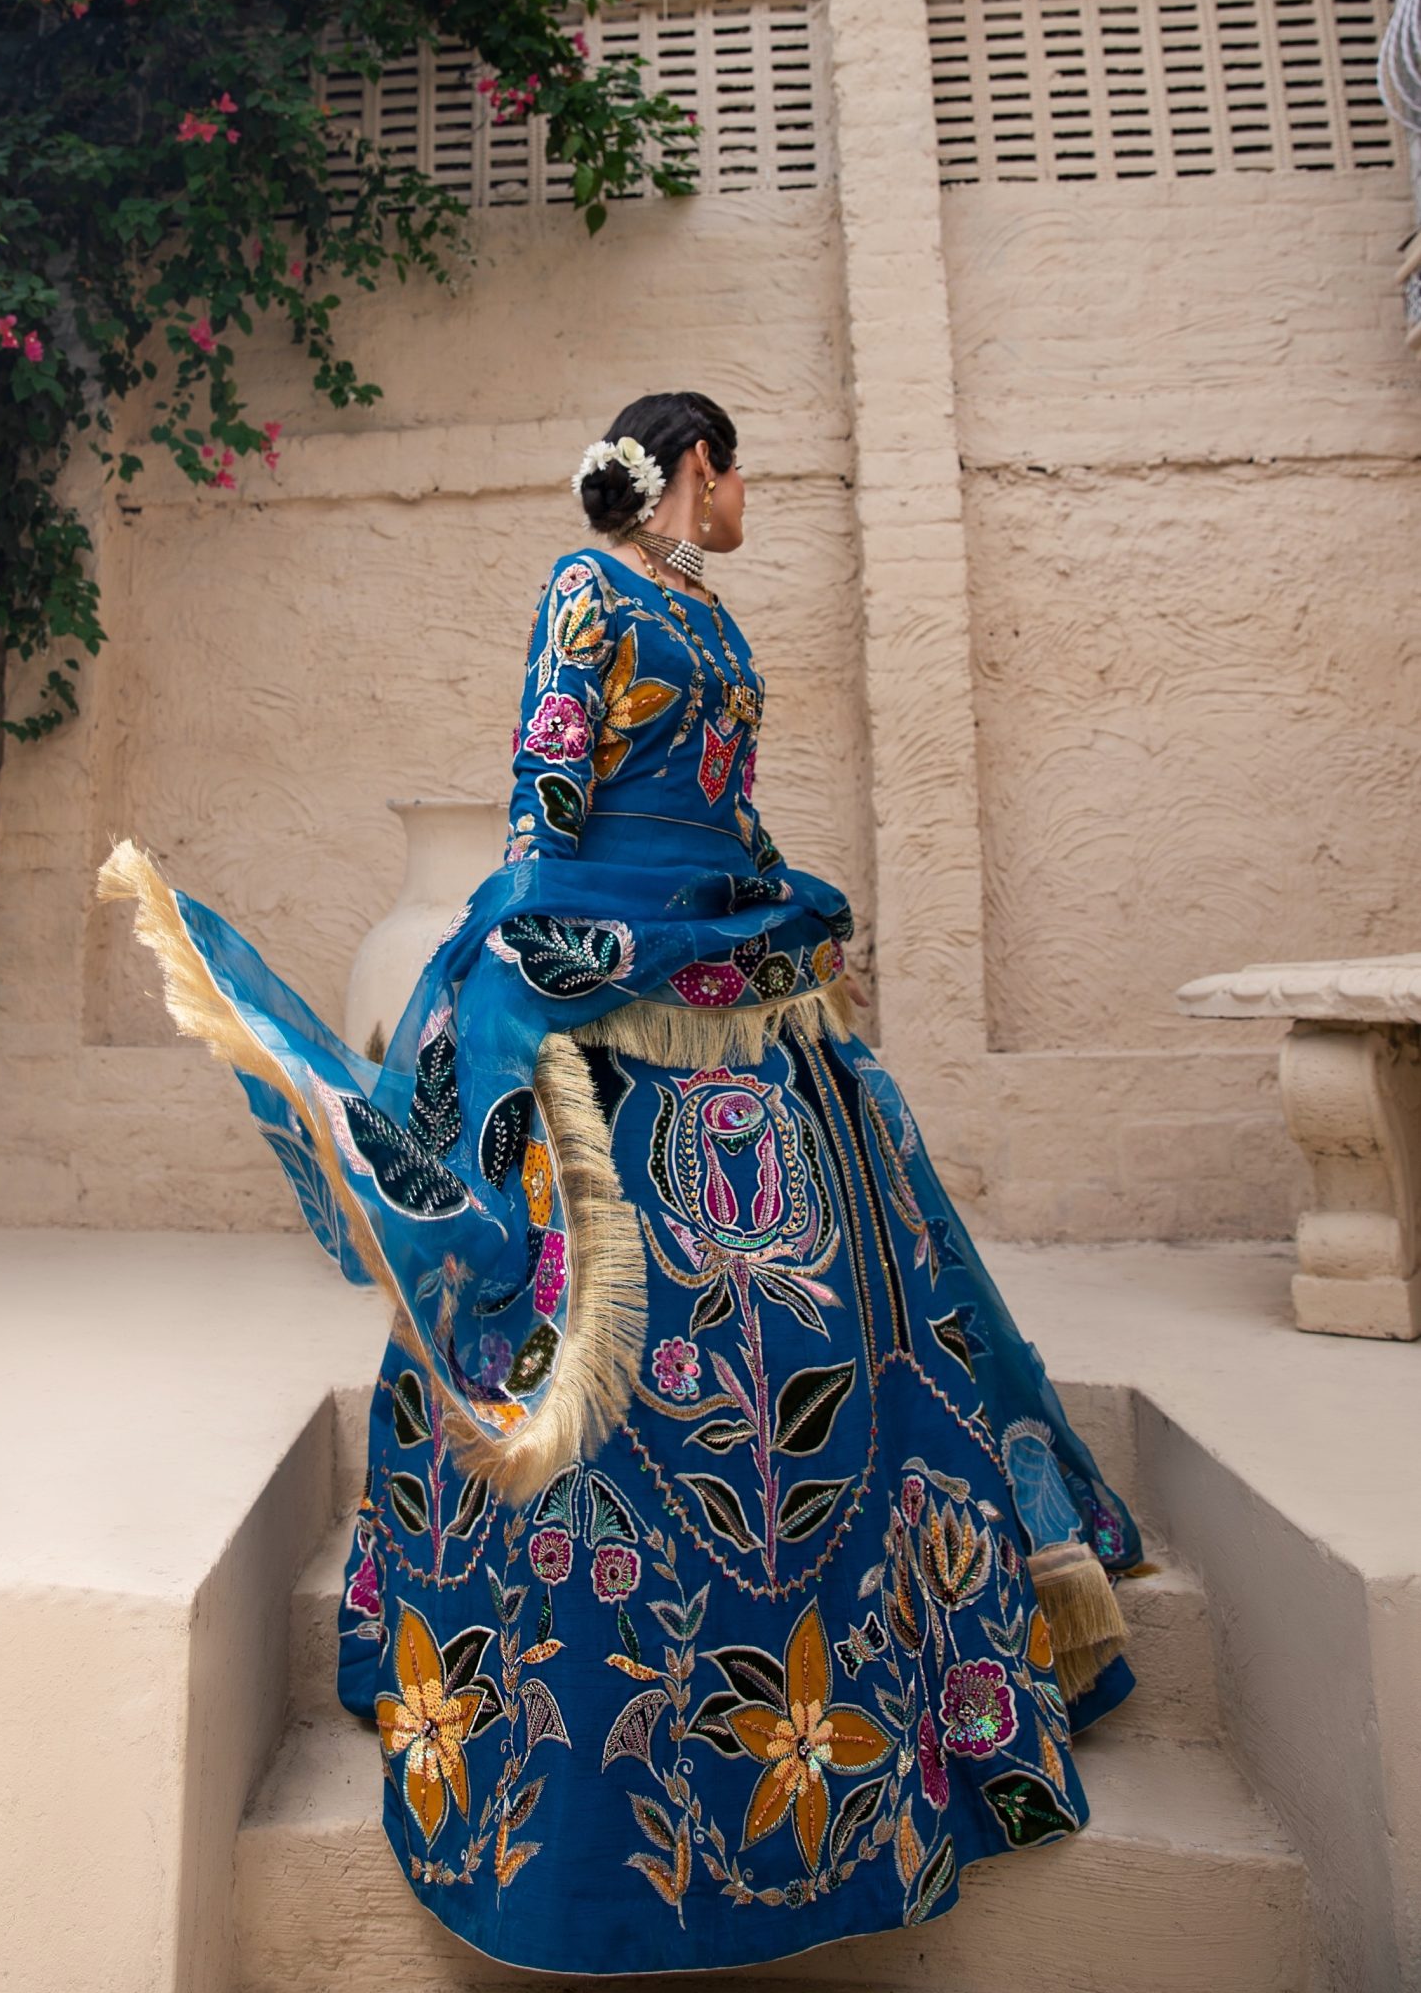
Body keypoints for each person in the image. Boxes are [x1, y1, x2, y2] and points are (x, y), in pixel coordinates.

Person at [100, 388, 1141, 1976]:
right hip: (616, 976)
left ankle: (901, 1694)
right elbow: (550, 797)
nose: (750, 497)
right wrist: (558, 960)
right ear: (693, 470)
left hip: (739, 965)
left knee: (861, 1305)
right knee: (594, 1333)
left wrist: (780, 916)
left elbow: (726, 800)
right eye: (740, 472)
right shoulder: (586, 590)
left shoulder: (705, 607)